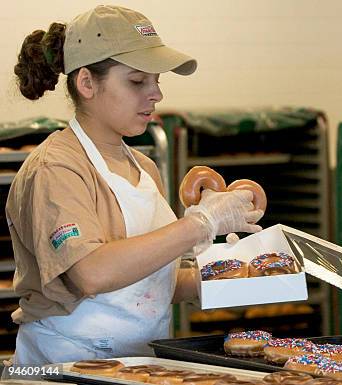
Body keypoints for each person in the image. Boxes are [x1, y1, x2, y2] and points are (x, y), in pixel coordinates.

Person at [7, 5, 263, 365]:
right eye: (137, 81)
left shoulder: (142, 167)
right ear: (86, 83)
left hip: (139, 362)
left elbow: (152, 283)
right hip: (68, 364)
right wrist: (200, 223)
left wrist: (234, 276)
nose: (156, 94)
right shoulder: (57, 168)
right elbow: (92, 274)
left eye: (157, 80)